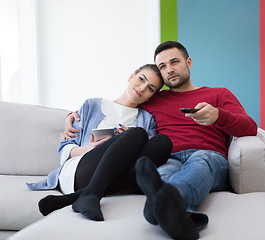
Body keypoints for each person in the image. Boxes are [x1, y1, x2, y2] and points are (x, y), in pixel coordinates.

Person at [65, 41, 258, 239]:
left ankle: (164, 204)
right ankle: (173, 212)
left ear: (189, 62)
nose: (169, 70)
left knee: (201, 161)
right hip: (169, 157)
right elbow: (124, 107)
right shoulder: (154, 99)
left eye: (174, 62)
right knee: (161, 173)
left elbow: (250, 127)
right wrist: (74, 115)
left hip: (209, 156)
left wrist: (218, 116)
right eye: (163, 67)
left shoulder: (218, 94)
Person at [27, 64, 173, 222]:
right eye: (141, 79)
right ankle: (89, 193)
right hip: (80, 170)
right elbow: (64, 148)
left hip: (116, 176)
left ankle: (82, 196)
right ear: (131, 77)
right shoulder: (92, 105)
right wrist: (86, 149)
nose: (143, 87)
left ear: (150, 96)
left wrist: (128, 144)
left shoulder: (147, 119)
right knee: (137, 133)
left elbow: (146, 161)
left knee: (163, 143)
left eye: (150, 88)